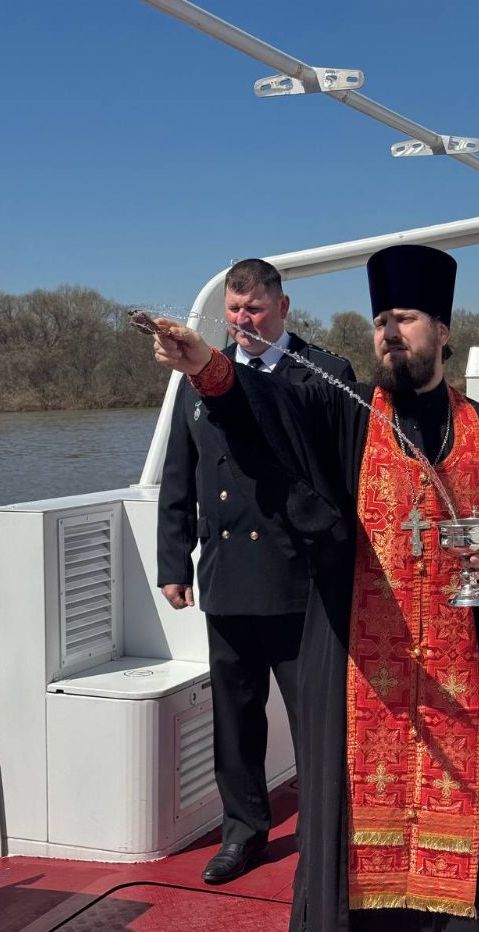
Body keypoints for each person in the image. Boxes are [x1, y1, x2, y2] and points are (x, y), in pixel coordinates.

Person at [151, 244, 479, 932]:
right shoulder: (345, 414)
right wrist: (208, 365)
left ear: (442, 331)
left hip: (460, 684)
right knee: (352, 839)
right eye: (379, 322)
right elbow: (268, 414)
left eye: (405, 319)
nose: (389, 334)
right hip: (357, 674)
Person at [157, 257, 355, 885]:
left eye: (255, 309)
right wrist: (173, 561)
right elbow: (179, 475)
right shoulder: (198, 376)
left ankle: (325, 837)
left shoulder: (323, 374)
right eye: (235, 310)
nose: (243, 320)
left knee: (314, 721)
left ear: (283, 308)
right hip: (227, 575)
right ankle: (243, 833)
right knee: (235, 719)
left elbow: (323, 459)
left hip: (301, 580)